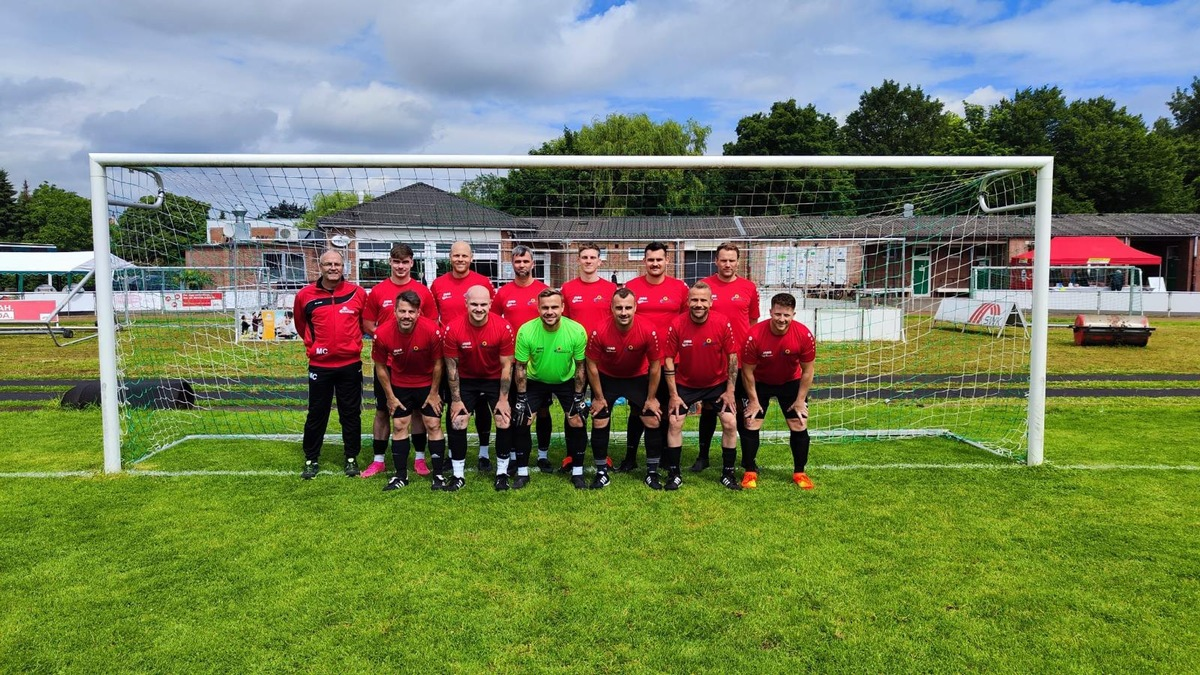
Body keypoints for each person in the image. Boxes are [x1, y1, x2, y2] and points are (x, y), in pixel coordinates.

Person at [362, 244, 438, 479]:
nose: (401, 266)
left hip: (416, 364)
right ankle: (378, 461)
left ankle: (419, 459)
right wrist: (385, 341)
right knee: (384, 410)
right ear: (390, 262)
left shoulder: (422, 292)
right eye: (396, 262)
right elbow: (367, 322)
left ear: (412, 263)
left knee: (416, 412)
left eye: (405, 262)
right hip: (388, 362)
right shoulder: (378, 291)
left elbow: (432, 323)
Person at [293, 249, 368, 480]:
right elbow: (300, 325)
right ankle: (311, 458)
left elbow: (364, 325)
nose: (333, 267)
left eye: (337, 263)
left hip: (350, 364)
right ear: (320, 266)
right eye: (328, 264)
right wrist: (315, 347)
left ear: (343, 266)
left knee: (351, 414)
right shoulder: (305, 295)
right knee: (317, 413)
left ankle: (351, 458)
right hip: (320, 366)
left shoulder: (357, 293)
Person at [661, 281, 740, 491]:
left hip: (716, 384)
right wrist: (674, 395)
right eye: (694, 300)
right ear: (688, 302)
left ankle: (728, 474)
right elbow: (668, 358)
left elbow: (733, 357)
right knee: (675, 422)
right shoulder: (677, 323)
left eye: (703, 300)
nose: (698, 304)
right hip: (685, 384)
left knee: (730, 422)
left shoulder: (722, 322)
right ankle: (674, 474)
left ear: (711, 302)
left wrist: (730, 391)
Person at [619, 242, 689, 474]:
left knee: (669, 408)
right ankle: (630, 457)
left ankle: (667, 457)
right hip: (639, 361)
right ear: (644, 261)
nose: (655, 263)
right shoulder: (631, 287)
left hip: (670, 360)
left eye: (659, 259)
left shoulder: (680, 288)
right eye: (651, 260)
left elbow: (686, 322)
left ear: (667, 261)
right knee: (639, 409)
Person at [585, 288, 664, 489]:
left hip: (637, 378)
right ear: (611, 308)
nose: (623, 312)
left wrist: (652, 397)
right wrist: (599, 397)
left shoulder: (648, 329)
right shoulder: (599, 330)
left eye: (628, 307)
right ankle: (602, 473)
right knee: (600, 418)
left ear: (635, 307)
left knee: (652, 418)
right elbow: (591, 365)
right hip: (608, 378)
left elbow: (655, 366)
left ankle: (652, 473)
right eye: (619, 307)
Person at [693, 242, 760, 473]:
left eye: (732, 260)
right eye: (723, 260)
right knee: (710, 409)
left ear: (738, 262)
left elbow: (752, 323)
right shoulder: (705, 286)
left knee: (740, 410)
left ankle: (747, 459)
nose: (727, 264)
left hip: (740, 362)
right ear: (716, 261)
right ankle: (703, 457)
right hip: (713, 360)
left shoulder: (748, 287)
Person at [512, 289, 590, 489]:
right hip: (535, 380)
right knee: (523, 418)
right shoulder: (526, 330)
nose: (550, 311)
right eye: (545, 307)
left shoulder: (577, 330)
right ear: (538, 308)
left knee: (577, 420)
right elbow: (520, 367)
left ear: (563, 308)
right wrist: (521, 398)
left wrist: (580, 396)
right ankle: (522, 472)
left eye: (554, 307)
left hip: (565, 380)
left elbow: (581, 366)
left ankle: (578, 472)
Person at [431, 241, 497, 472]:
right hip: (453, 357)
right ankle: (452, 454)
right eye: (456, 255)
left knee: (482, 408)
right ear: (450, 257)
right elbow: (432, 318)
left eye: (464, 255)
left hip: (480, 354)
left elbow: (491, 316)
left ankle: (483, 453)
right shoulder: (438, 284)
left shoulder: (483, 283)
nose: (460, 259)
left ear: (471, 258)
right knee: (455, 407)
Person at [442, 285, 516, 491]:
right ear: (466, 304)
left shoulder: (503, 327)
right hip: (466, 379)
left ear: (491, 304)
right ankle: (458, 476)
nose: (479, 308)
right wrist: (456, 400)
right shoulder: (453, 328)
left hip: (494, 379)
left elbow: (506, 366)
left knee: (503, 419)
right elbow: (452, 367)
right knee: (457, 420)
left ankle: (502, 473)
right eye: (474, 304)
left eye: (483, 304)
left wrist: (503, 400)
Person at [740, 292, 817, 490]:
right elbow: (747, 371)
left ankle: (800, 472)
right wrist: (753, 400)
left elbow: (808, 370)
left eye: (786, 315)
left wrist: (800, 400)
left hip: (790, 383)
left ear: (793, 314)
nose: (782, 319)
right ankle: (749, 471)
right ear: (770, 312)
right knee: (751, 422)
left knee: (799, 423)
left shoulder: (804, 334)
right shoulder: (754, 335)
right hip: (760, 382)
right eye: (778, 314)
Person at [372, 290, 445, 491]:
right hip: (400, 383)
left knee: (433, 424)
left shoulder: (432, 330)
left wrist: (434, 393)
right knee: (399, 425)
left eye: (411, 312)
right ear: (394, 311)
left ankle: (438, 475)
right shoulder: (383, 333)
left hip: (426, 383)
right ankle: (400, 476)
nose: (407, 316)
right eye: (402, 311)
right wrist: (390, 397)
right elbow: (380, 367)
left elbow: (439, 364)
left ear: (419, 313)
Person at [493, 245, 553, 475]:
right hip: (512, 361)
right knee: (517, 410)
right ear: (512, 264)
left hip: (538, 361)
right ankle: (513, 455)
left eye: (525, 261)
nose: (522, 265)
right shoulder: (503, 293)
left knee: (543, 411)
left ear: (532, 263)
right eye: (517, 262)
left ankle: (543, 455)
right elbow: (496, 321)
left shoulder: (543, 291)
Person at [558, 243, 617, 474]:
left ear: (600, 261)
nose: (589, 261)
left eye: (593, 257)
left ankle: (603, 454)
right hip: (576, 358)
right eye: (584, 257)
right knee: (574, 405)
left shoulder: (610, 288)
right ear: (578, 260)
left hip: (603, 357)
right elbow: (563, 322)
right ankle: (572, 455)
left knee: (603, 405)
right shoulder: (568, 288)